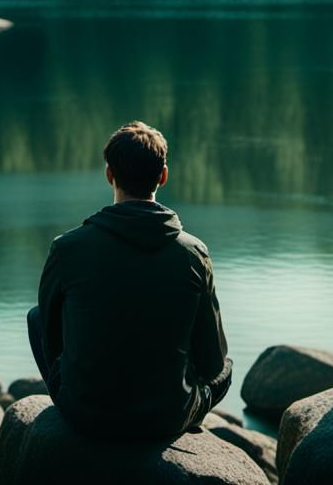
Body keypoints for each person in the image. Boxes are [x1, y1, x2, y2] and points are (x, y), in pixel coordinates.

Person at [27, 121, 231, 438]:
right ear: (163, 175)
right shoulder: (194, 254)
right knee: (226, 368)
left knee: (36, 317)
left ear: (109, 174)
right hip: (166, 417)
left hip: (86, 414)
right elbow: (212, 365)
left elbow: (52, 337)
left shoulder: (67, 248)